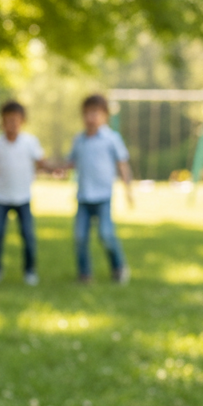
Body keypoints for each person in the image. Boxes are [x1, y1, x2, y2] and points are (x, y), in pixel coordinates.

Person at [0, 100, 51, 285]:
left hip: (23, 198)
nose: (12, 125)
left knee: (27, 235)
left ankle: (30, 271)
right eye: (8, 120)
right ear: (2, 122)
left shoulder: (30, 142)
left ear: (22, 121)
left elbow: (42, 162)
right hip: (2, 198)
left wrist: (53, 169)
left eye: (15, 120)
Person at [65, 93, 134, 283]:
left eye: (95, 113)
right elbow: (70, 162)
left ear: (105, 116)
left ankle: (119, 267)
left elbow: (122, 165)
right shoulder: (79, 140)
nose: (90, 118)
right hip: (83, 197)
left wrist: (129, 190)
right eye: (86, 113)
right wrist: (49, 167)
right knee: (80, 237)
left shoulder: (111, 138)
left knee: (106, 234)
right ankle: (84, 274)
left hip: (103, 197)